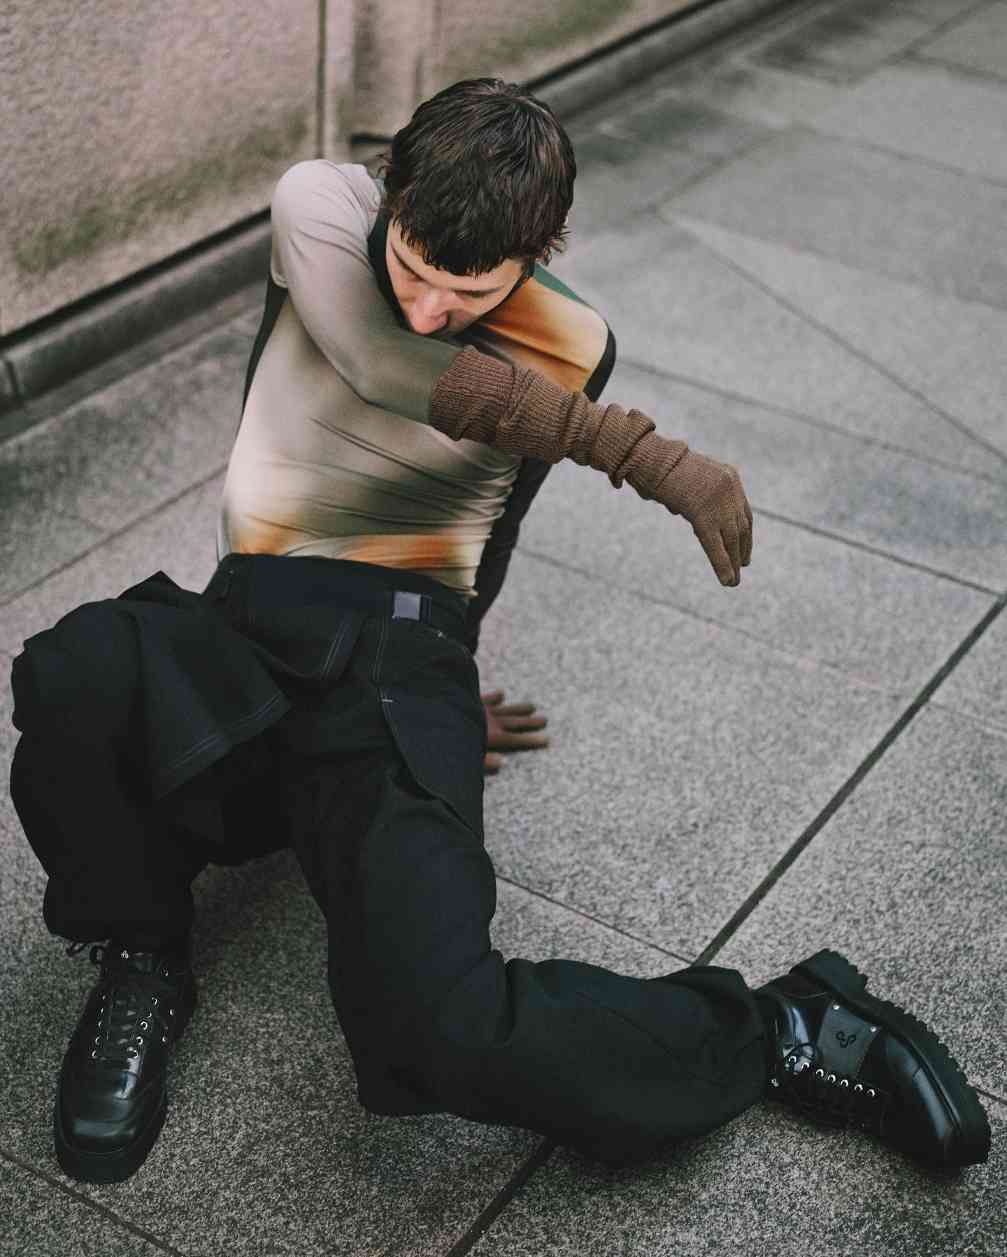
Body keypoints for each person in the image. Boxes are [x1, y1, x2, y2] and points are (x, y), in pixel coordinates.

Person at [8, 79, 990, 1187]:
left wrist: (445, 698)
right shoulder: (321, 206)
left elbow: (495, 526)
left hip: (396, 652)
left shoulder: (570, 339)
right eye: (411, 269)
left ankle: (782, 1028)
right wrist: (645, 456)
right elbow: (381, 364)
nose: (428, 309)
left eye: (468, 291)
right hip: (245, 617)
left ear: (539, 250)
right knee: (75, 671)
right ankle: (142, 951)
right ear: (392, 192)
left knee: (436, 1023)